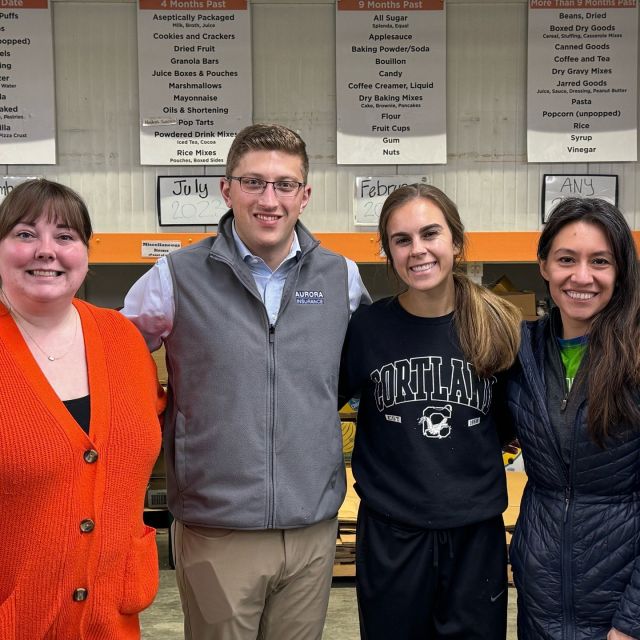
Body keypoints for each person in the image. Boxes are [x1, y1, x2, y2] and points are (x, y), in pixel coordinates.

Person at [122, 123, 370, 640]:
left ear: (305, 195)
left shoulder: (341, 277)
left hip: (311, 527)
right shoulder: (176, 276)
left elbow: (363, 369)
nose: (269, 199)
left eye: (285, 184)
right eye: (253, 182)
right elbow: (113, 358)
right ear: (226, 189)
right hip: (216, 527)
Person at [339, 183, 521, 640]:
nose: (417, 249)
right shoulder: (367, 327)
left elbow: (507, 424)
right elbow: (320, 403)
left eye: (430, 234)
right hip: (391, 535)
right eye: (402, 240)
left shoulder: (498, 323)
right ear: (388, 252)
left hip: (474, 535)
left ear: (456, 242)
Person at [0, 179, 163, 639]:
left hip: (112, 620)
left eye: (65, 236)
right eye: (25, 234)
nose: (46, 250)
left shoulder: (123, 340)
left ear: (85, 252)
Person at [506, 197, 640, 640]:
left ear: (620, 271)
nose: (582, 277)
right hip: (540, 602)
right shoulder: (521, 352)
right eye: (566, 259)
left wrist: (631, 621)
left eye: (600, 261)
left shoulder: (636, 358)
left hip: (619, 608)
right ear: (544, 266)